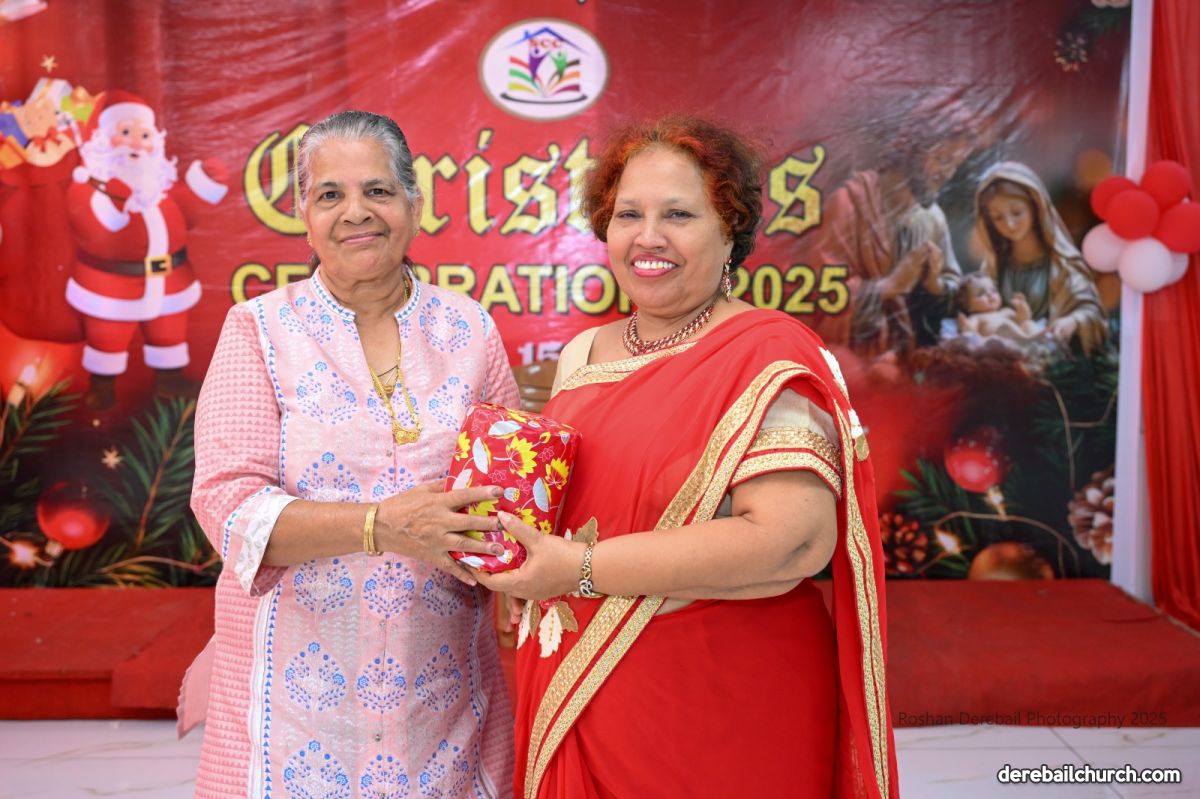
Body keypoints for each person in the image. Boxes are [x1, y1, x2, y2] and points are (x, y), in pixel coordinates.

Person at [476, 116, 898, 799]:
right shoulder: (582, 355)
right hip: (584, 693)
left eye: (678, 214)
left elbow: (793, 542)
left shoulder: (765, 354)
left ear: (730, 230)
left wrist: (577, 569)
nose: (649, 236)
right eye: (628, 214)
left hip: (724, 703)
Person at [187, 111, 517, 799]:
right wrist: (379, 526)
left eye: (378, 190)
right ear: (303, 216)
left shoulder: (470, 330)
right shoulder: (259, 330)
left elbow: (509, 491)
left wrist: (516, 564)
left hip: (444, 702)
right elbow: (229, 506)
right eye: (330, 194)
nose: (356, 212)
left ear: (414, 206)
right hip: (292, 712)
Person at [64, 90, 229, 410]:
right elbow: (98, 227)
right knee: (107, 336)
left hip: (169, 279)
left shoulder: (160, 187)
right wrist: (118, 196)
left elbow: (185, 213)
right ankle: (102, 383)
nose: (137, 143)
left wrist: (204, 185)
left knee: (169, 332)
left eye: (144, 135)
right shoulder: (89, 185)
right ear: (102, 140)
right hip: (112, 285)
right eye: (125, 132)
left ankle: (170, 378)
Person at [811, 100, 975, 357]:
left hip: (907, 356)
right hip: (850, 357)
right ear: (912, 149)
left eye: (956, 164)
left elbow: (955, 287)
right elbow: (823, 296)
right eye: (942, 159)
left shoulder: (932, 219)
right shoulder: (849, 204)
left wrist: (935, 284)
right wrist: (890, 286)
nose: (947, 174)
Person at [974, 161, 1106, 353]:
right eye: (997, 217)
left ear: (1036, 207)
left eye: (1017, 213)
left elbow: (1091, 311)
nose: (1009, 224)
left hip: (1052, 356)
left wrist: (1072, 321)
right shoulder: (993, 266)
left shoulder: (1063, 264)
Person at [955, 272, 1042, 341]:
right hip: (1002, 345)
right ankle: (1028, 341)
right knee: (1005, 328)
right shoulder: (977, 317)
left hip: (1024, 339)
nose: (990, 294)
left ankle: (1038, 339)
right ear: (968, 306)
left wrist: (1022, 307)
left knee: (1028, 323)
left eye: (993, 290)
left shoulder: (1006, 311)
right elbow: (971, 334)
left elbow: (1023, 318)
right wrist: (965, 325)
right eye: (981, 293)